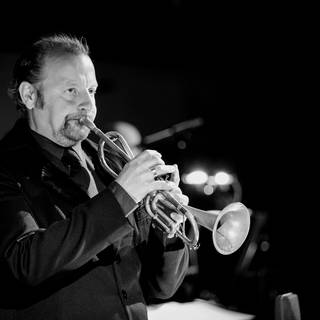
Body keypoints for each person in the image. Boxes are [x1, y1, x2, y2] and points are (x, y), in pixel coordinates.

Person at [0, 33, 190, 320]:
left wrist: (168, 231)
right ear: (30, 95)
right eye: (71, 91)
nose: (88, 104)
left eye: (92, 90)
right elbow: (23, 265)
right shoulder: (5, 165)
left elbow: (159, 288)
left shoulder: (109, 159)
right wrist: (120, 198)